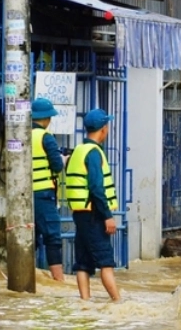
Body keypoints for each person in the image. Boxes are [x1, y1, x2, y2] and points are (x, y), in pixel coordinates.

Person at [65, 109, 120, 301]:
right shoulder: (94, 153)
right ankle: (118, 303)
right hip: (94, 215)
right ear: (104, 129)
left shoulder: (78, 150)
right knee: (106, 262)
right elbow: (97, 188)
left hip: (81, 214)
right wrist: (107, 216)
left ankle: (85, 303)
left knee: (83, 263)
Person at [31, 98, 67, 282]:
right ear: (45, 119)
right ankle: (58, 280)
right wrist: (63, 159)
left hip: (24, 195)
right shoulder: (46, 137)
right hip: (44, 193)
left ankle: (30, 276)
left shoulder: (20, 135)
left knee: (31, 237)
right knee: (52, 236)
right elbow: (56, 166)